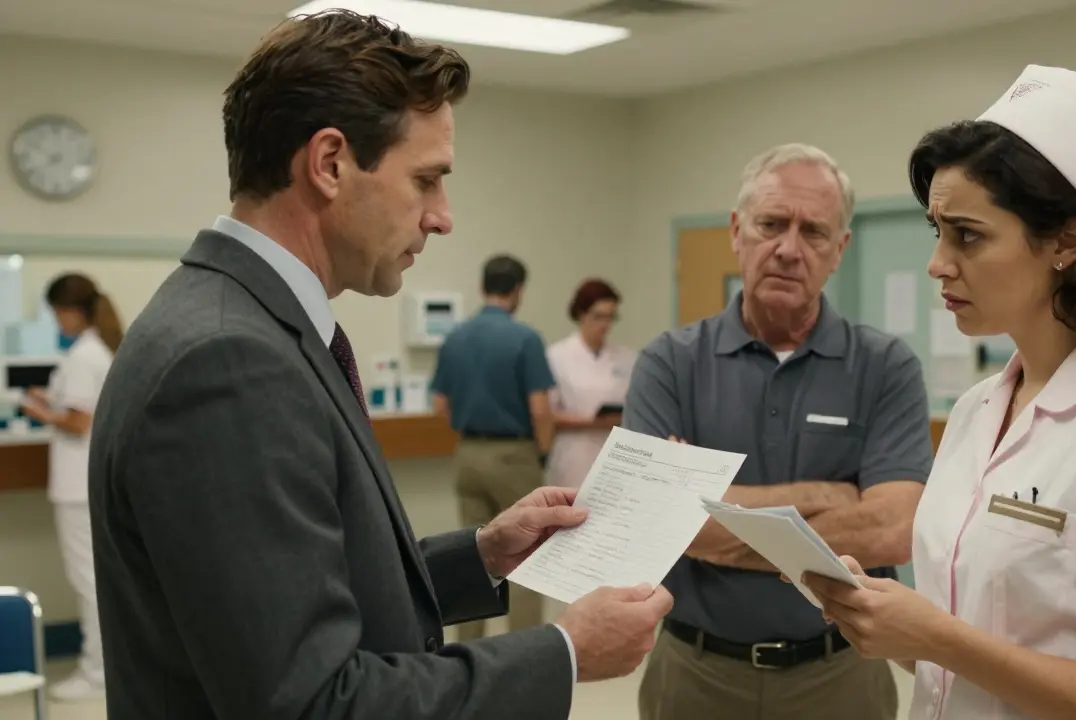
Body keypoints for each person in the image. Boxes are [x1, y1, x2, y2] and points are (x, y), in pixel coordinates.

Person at [88, 11, 672, 720]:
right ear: (330, 163)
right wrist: (567, 652)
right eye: (426, 180)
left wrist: (482, 555)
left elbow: (300, 591)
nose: (443, 215)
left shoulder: (242, 321)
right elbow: (312, 703)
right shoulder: (227, 362)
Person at [805, 64, 1076, 720]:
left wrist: (935, 636)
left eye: (967, 235)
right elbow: (965, 653)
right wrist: (884, 620)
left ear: (1065, 241)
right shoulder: (977, 410)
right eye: (936, 232)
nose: (937, 263)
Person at [622, 142, 933, 720]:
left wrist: (709, 517)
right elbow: (652, 519)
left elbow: (894, 529)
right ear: (737, 231)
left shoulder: (886, 367)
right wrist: (825, 497)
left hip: (841, 673)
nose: (788, 249)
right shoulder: (669, 363)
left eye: (813, 232)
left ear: (839, 250)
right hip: (696, 672)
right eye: (771, 224)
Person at [430, 254, 557, 640]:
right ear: (517, 290)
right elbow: (540, 410)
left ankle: (466, 651)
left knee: (469, 554)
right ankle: (526, 648)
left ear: (482, 286)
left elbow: (440, 406)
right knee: (528, 554)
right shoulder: (525, 338)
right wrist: (541, 454)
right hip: (513, 455)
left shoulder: (454, 337)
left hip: (467, 454)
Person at [19, 273, 121, 702]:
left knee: (87, 581)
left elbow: (79, 423)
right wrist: (53, 402)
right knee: (95, 578)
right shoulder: (96, 351)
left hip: (77, 487)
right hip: (88, 484)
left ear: (68, 311)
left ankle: (96, 670)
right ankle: (101, 666)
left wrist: (41, 413)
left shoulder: (83, 357)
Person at [546, 278, 634, 491]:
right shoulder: (556, 356)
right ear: (580, 315)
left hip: (614, 453)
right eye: (598, 317)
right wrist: (592, 421)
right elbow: (548, 414)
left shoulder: (627, 357)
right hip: (573, 454)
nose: (605, 324)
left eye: (611, 317)